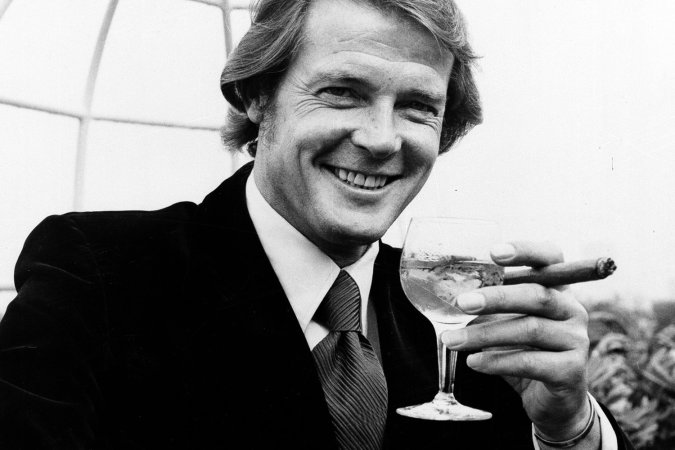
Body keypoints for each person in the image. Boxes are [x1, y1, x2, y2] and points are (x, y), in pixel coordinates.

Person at [0, 0, 633, 449]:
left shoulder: (464, 320)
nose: (381, 139)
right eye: (342, 92)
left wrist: (567, 428)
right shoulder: (97, 272)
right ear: (256, 95)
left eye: (417, 107)